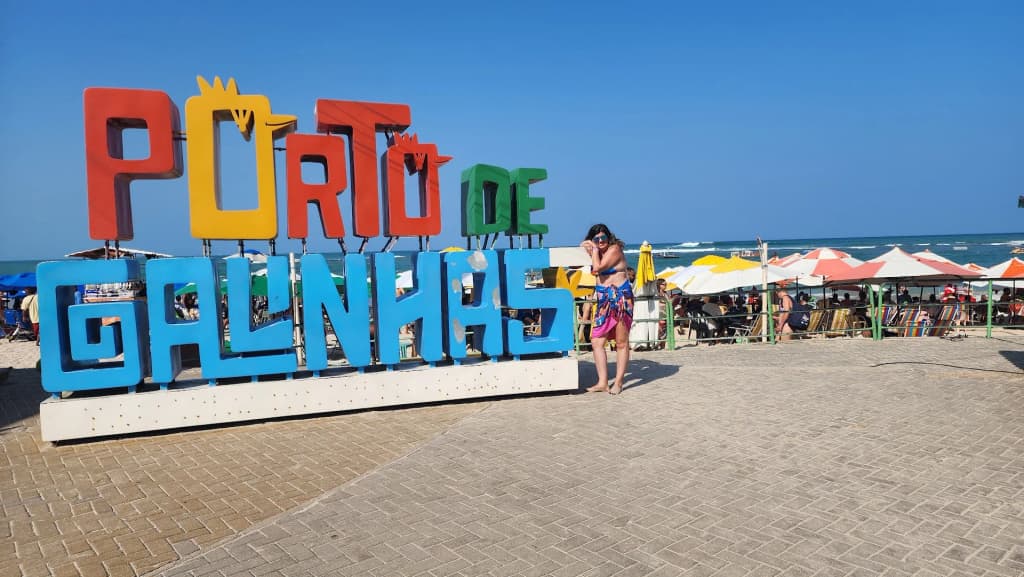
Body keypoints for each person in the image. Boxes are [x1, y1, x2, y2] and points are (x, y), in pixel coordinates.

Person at [581, 223, 632, 395]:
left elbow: (598, 268)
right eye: (596, 238)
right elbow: (582, 248)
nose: (600, 241)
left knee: (621, 342)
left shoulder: (614, 249)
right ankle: (602, 382)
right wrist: (587, 247)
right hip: (603, 301)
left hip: (620, 299)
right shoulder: (596, 251)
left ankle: (618, 382)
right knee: (597, 341)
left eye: (603, 237)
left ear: (608, 237)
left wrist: (593, 249)